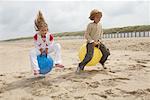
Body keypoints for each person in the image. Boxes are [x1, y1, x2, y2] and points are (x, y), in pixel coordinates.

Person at [29, 11, 64, 75]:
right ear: (39, 30)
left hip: (48, 50)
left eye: (45, 30)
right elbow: (36, 45)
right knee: (32, 52)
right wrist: (41, 50)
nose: (44, 32)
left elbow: (51, 44)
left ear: (47, 29)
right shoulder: (36, 36)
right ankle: (36, 69)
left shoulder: (50, 36)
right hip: (40, 50)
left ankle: (57, 62)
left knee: (57, 45)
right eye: (42, 30)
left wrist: (47, 49)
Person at [76, 9, 110, 73]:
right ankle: (80, 66)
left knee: (106, 53)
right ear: (93, 18)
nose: (99, 19)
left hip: (98, 42)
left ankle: (102, 62)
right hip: (91, 43)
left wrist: (99, 41)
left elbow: (101, 34)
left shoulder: (100, 25)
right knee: (89, 56)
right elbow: (86, 34)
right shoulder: (90, 25)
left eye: (100, 17)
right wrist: (92, 41)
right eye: (97, 17)